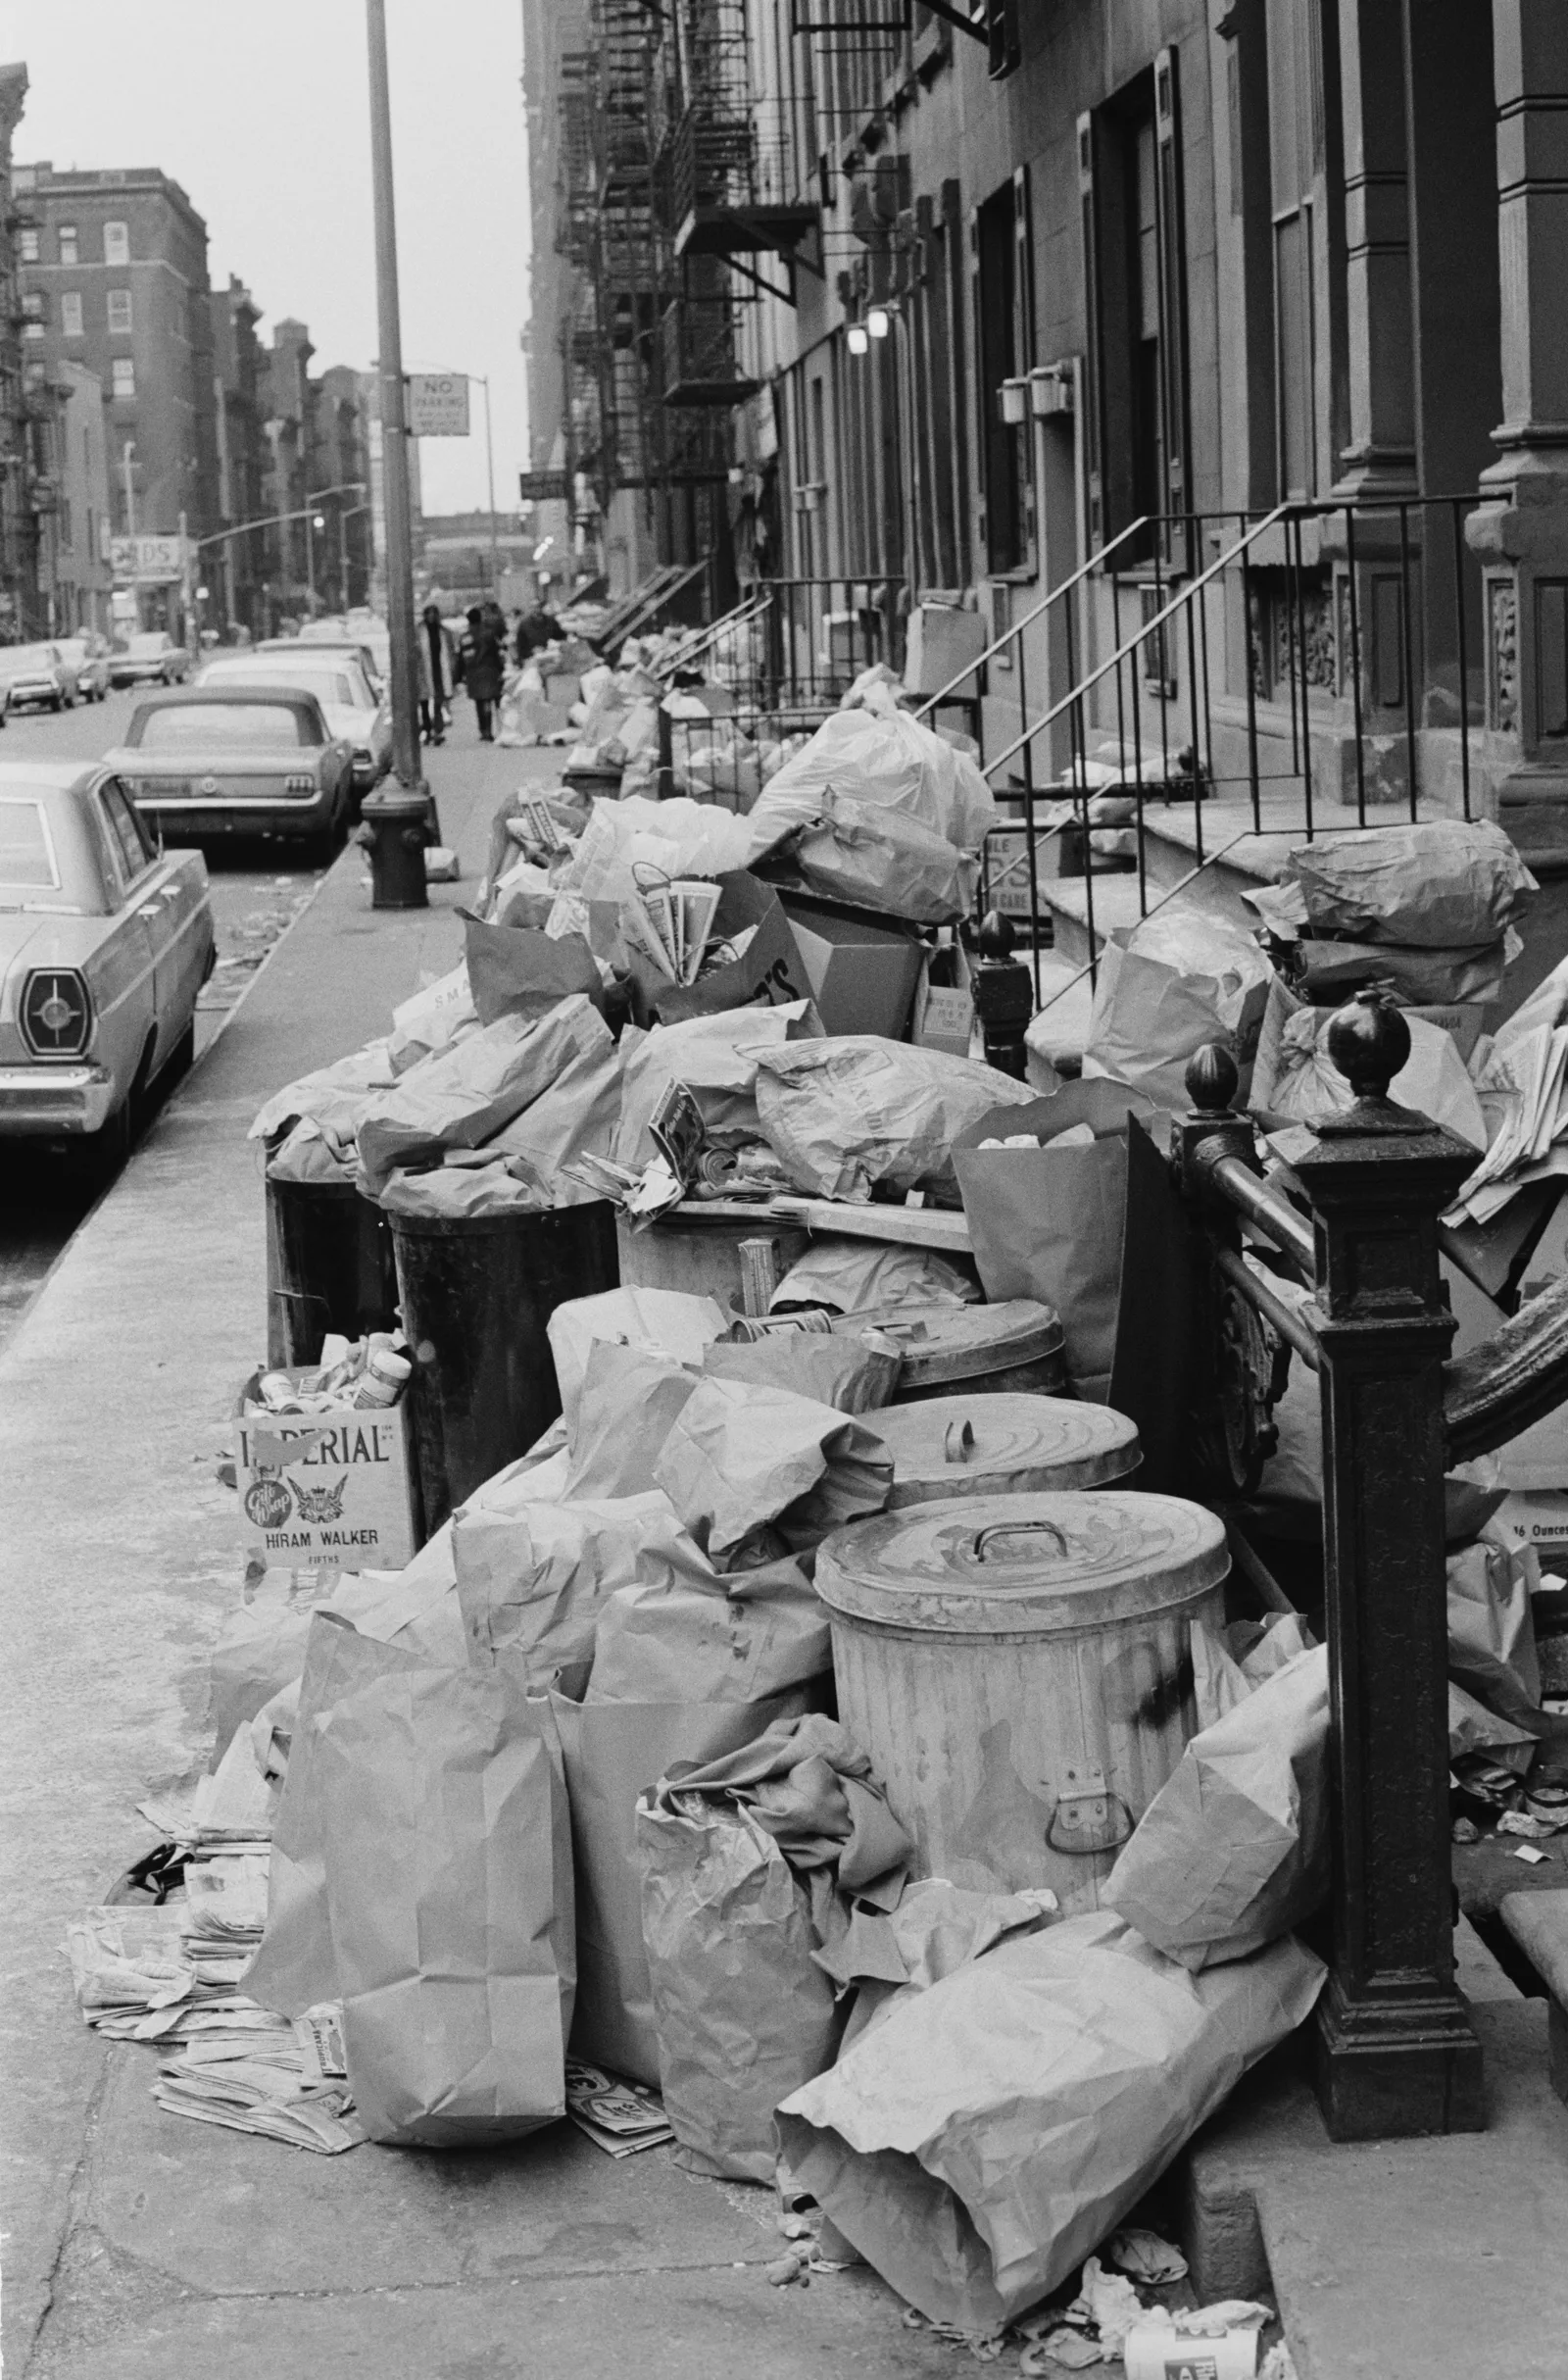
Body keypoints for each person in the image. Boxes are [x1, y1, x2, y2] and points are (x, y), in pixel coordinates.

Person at [457, 603, 505, 742]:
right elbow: (496, 653)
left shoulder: (465, 637)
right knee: (488, 701)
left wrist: (459, 676)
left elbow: (461, 657)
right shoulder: (489, 634)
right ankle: (490, 731)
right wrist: (501, 669)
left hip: (473, 673)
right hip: (489, 670)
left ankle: (483, 730)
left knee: (479, 702)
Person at [418, 603, 453, 746]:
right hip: (423, 672)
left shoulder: (443, 632)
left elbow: (450, 652)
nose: (431, 616)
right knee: (424, 703)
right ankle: (426, 731)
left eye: (434, 613)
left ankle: (437, 731)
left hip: (438, 670)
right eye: (429, 613)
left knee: (438, 703)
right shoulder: (418, 631)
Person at [514, 593, 565, 668]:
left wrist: (557, 645)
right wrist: (531, 652)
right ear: (530, 608)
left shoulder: (551, 621)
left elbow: (562, 637)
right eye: (533, 607)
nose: (536, 610)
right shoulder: (524, 625)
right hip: (534, 662)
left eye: (538, 607)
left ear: (542, 607)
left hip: (552, 660)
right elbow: (520, 649)